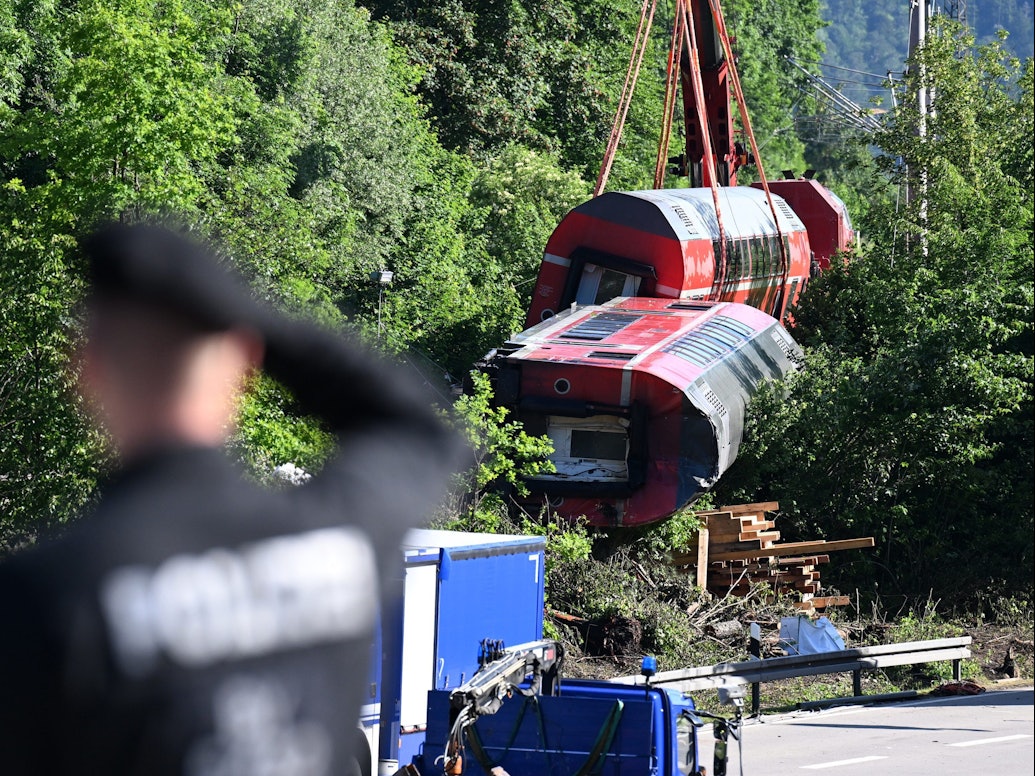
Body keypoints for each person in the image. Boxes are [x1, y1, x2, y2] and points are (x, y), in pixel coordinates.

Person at [0, 223, 462, 775]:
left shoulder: (44, 598)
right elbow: (417, 427)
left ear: (88, 372)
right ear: (243, 363)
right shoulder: (340, 538)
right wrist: (252, 321)